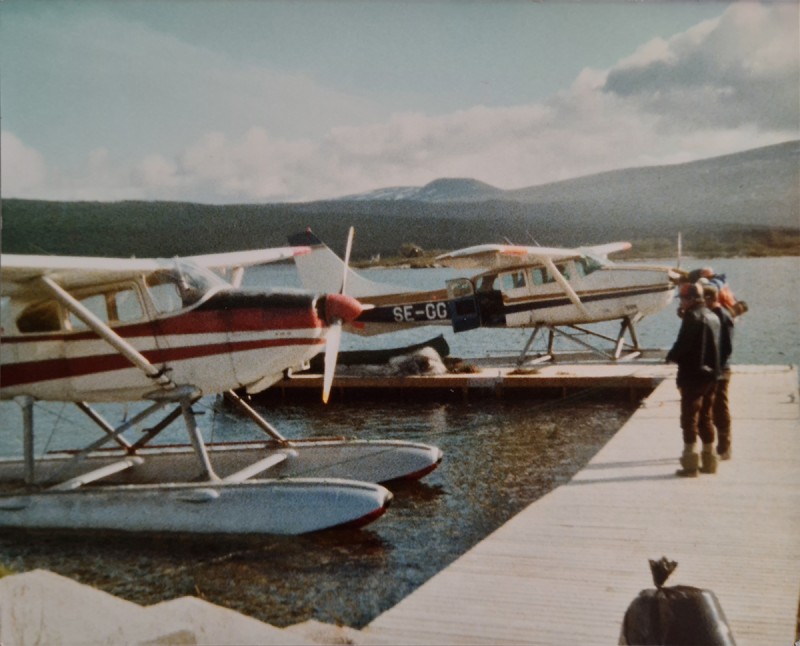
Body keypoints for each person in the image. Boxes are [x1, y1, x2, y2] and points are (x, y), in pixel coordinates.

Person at [666, 282, 722, 477]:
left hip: (693, 377)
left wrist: (670, 356)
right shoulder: (713, 315)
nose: (680, 302)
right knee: (706, 417)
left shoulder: (692, 316)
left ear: (689, 299)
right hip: (712, 376)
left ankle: (690, 464)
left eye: (682, 299)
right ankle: (710, 461)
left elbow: (683, 344)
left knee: (689, 419)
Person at [702, 281, 735, 460]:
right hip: (712, 369)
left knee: (720, 406)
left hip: (720, 370)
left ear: (709, 299)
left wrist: (716, 368)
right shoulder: (710, 315)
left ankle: (725, 446)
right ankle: (718, 445)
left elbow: (726, 347)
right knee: (712, 406)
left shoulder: (722, 316)